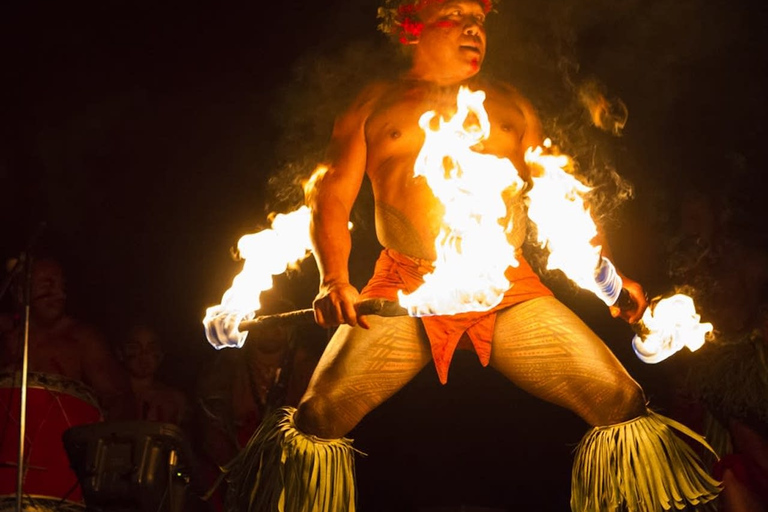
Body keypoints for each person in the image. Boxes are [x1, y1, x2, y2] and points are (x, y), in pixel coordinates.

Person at [225, 1, 721, 511]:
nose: (473, 28)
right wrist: (333, 281)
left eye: (480, 19)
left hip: (509, 288)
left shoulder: (511, 106)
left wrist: (611, 279)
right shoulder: (373, 105)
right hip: (403, 285)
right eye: (455, 14)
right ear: (413, 24)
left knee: (622, 400)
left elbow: (564, 200)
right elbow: (329, 199)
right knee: (317, 417)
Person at [118, 323, 189, 426]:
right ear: (120, 353)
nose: (144, 354)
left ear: (161, 355)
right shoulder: (110, 397)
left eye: (152, 348)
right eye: (134, 348)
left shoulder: (175, 399)